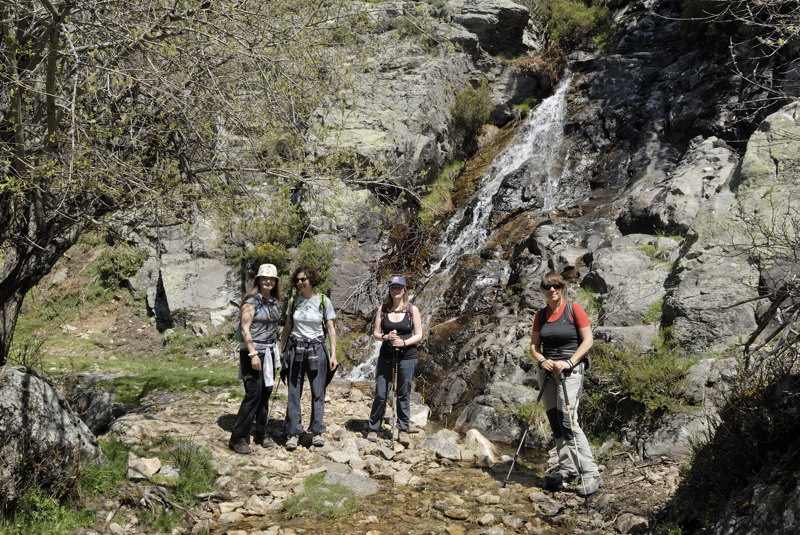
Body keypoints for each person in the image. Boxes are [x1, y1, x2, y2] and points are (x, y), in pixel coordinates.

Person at [530, 271, 603, 496]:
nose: (552, 290)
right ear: (542, 290)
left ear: (562, 288)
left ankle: (591, 474)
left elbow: (588, 340)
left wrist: (569, 362)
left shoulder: (574, 309)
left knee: (568, 420)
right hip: (547, 371)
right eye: (547, 287)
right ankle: (567, 469)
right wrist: (542, 360)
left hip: (571, 370)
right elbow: (534, 346)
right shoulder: (540, 315)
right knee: (555, 420)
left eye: (556, 286)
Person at [279, 265, 338, 451]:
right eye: (297, 279)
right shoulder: (293, 300)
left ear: (311, 280)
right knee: (294, 392)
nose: (299, 283)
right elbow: (288, 326)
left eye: (303, 279)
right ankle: (293, 432)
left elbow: (330, 328)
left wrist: (333, 354)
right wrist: (281, 348)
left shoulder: (323, 300)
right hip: (295, 348)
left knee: (318, 391)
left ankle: (317, 431)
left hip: (317, 348)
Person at [229, 263, 282, 454]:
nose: (268, 281)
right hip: (253, 352)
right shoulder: (250, 302)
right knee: (253, 394)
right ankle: (238, 438)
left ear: (275, 282)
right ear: (258, 281)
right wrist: (252, 354)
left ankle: (261, 432)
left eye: (271, 279)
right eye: (264, 278)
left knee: (265, 392)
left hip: (269, 351)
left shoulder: (275, 301)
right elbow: (245, 329)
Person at [367, 275, 423, 446]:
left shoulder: (412, 309)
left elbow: (419, 335)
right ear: (389, 290)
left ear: (404, 289)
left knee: (403, 393)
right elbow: (376, 334)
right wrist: (386, 336)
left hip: (407, 356)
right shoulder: (383, 309)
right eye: (393, 287)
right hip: (386, 355)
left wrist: (404, 342)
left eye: (399, 287)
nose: (395, 290)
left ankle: (403, 429)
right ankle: (373, 428)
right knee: (382, 393)